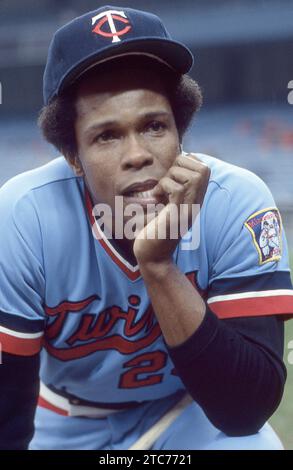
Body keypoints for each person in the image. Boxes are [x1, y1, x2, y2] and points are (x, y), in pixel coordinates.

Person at [0, 5, 292, 451]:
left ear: (181, 132)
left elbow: (244, 411)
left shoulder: (235, 200)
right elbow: (7, 414)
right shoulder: (23, 216)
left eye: (154, 126)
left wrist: (158, 265)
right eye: (107, 135)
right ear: (73, 156)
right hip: (64, 421)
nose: (137, 154)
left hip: (190, 414)